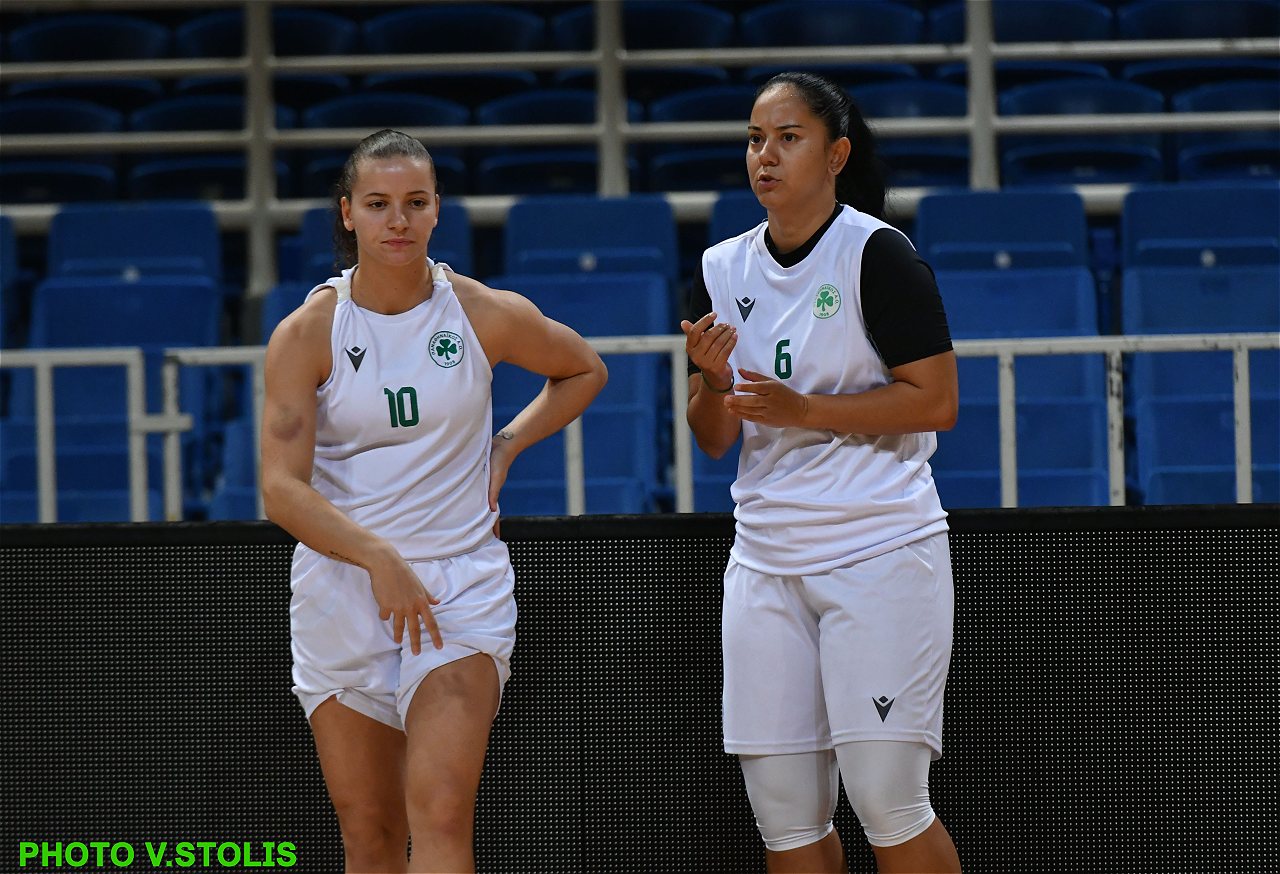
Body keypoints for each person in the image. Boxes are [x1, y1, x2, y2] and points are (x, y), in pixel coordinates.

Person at [261, 128, 606, 873]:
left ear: (438, 210)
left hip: (458, 585)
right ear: (347, 212)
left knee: (442, 810)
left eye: (416, 202)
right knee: (370, 834)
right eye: (378, 204)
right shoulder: (308, 333)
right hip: (344, 588)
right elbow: (280, 489)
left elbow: (583, 369)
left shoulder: (480, 312)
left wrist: (507, 444)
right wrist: (376, 556)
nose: (399, 220)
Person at [680, 72, 963, 873]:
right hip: (765, 561)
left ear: (836, 155)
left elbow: (937, 401)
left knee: (889, 803)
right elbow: (711, 439)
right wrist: (712, 383)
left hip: (877, 548)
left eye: (787, 138)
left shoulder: (877, 253)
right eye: (754, 139)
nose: (764, 156)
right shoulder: (721, 267)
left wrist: (805, 409)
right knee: (786, 821)